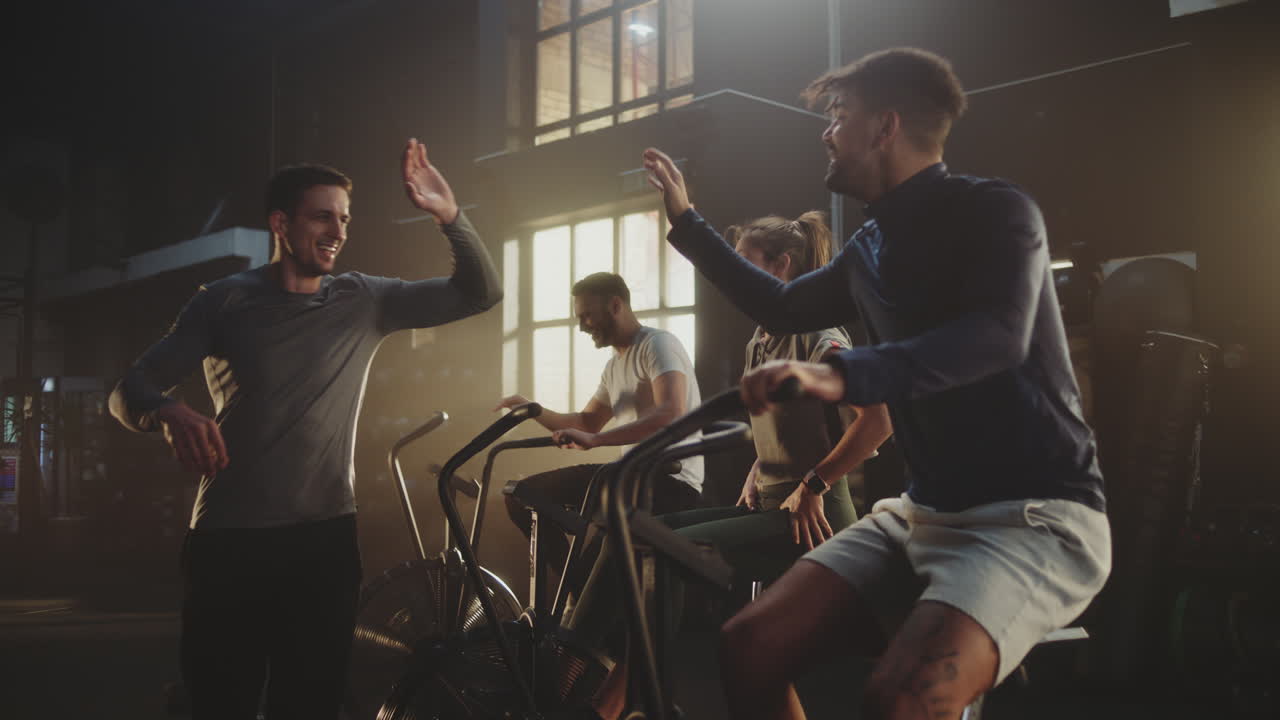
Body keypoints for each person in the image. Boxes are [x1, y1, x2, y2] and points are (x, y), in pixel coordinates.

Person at [643, 47, 1111, 720]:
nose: (826, 132)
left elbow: (996, 337)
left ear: (885, 127)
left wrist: (838, 374)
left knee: (900, 698)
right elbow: (782, 306)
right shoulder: (869, 248)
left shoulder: (997, 211)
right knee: (750, 645)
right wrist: (687, 223)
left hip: (1031, 517)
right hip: (923, 511)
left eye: (839, 114)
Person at [108, 139, 501, 720]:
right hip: (229, 543)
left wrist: (450, 217)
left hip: (324, 543)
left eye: (344, 218)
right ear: (280, 224)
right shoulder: (223, 302)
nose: (337, 231)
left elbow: (481, 293)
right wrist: (168, 410)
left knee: (311, 703)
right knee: (220, 702)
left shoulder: (364, 299)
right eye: (322, 217)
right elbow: (127, 391)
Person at [561, 211, 893, 720]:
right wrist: (759, 465)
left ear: (781, 266)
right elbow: (784, 425)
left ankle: (609, 692)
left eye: (745, 263)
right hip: (769, 503)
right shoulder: (760, 340)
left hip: (813, 518)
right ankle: (568, 658)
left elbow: (878, 422)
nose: (733, 277)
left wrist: (814, 483)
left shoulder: (820, 334)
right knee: (634, 531)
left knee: (666, 552)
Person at [496, 272, 703, 597]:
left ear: (616, 305)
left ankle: (583, 600)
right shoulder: (614, 366)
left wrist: (598, 440)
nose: (582, 327)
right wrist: (533, 410)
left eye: (587, 316)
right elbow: (588, 422)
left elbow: (670, 412)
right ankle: (580, 597)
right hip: (630, 481)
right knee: (521, 496)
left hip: (669, 481)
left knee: (592, 571)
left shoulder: (657, 345)